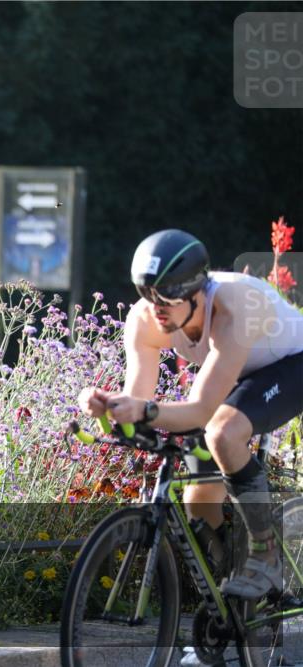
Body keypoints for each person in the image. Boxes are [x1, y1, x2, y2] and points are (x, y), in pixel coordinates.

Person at [78, 229, 303, 599]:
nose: (156, 307)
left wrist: (145, 411)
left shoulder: (233, 305)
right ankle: (229, 609)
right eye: (146, 292)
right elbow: (139, 399)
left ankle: (265, 554)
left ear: (197, 290)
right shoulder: (146, 320)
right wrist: (112, 405)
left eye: (167, 294)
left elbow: (200, 411)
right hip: (236, 372)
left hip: (290, 365)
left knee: (222, 433)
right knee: (198, 500)